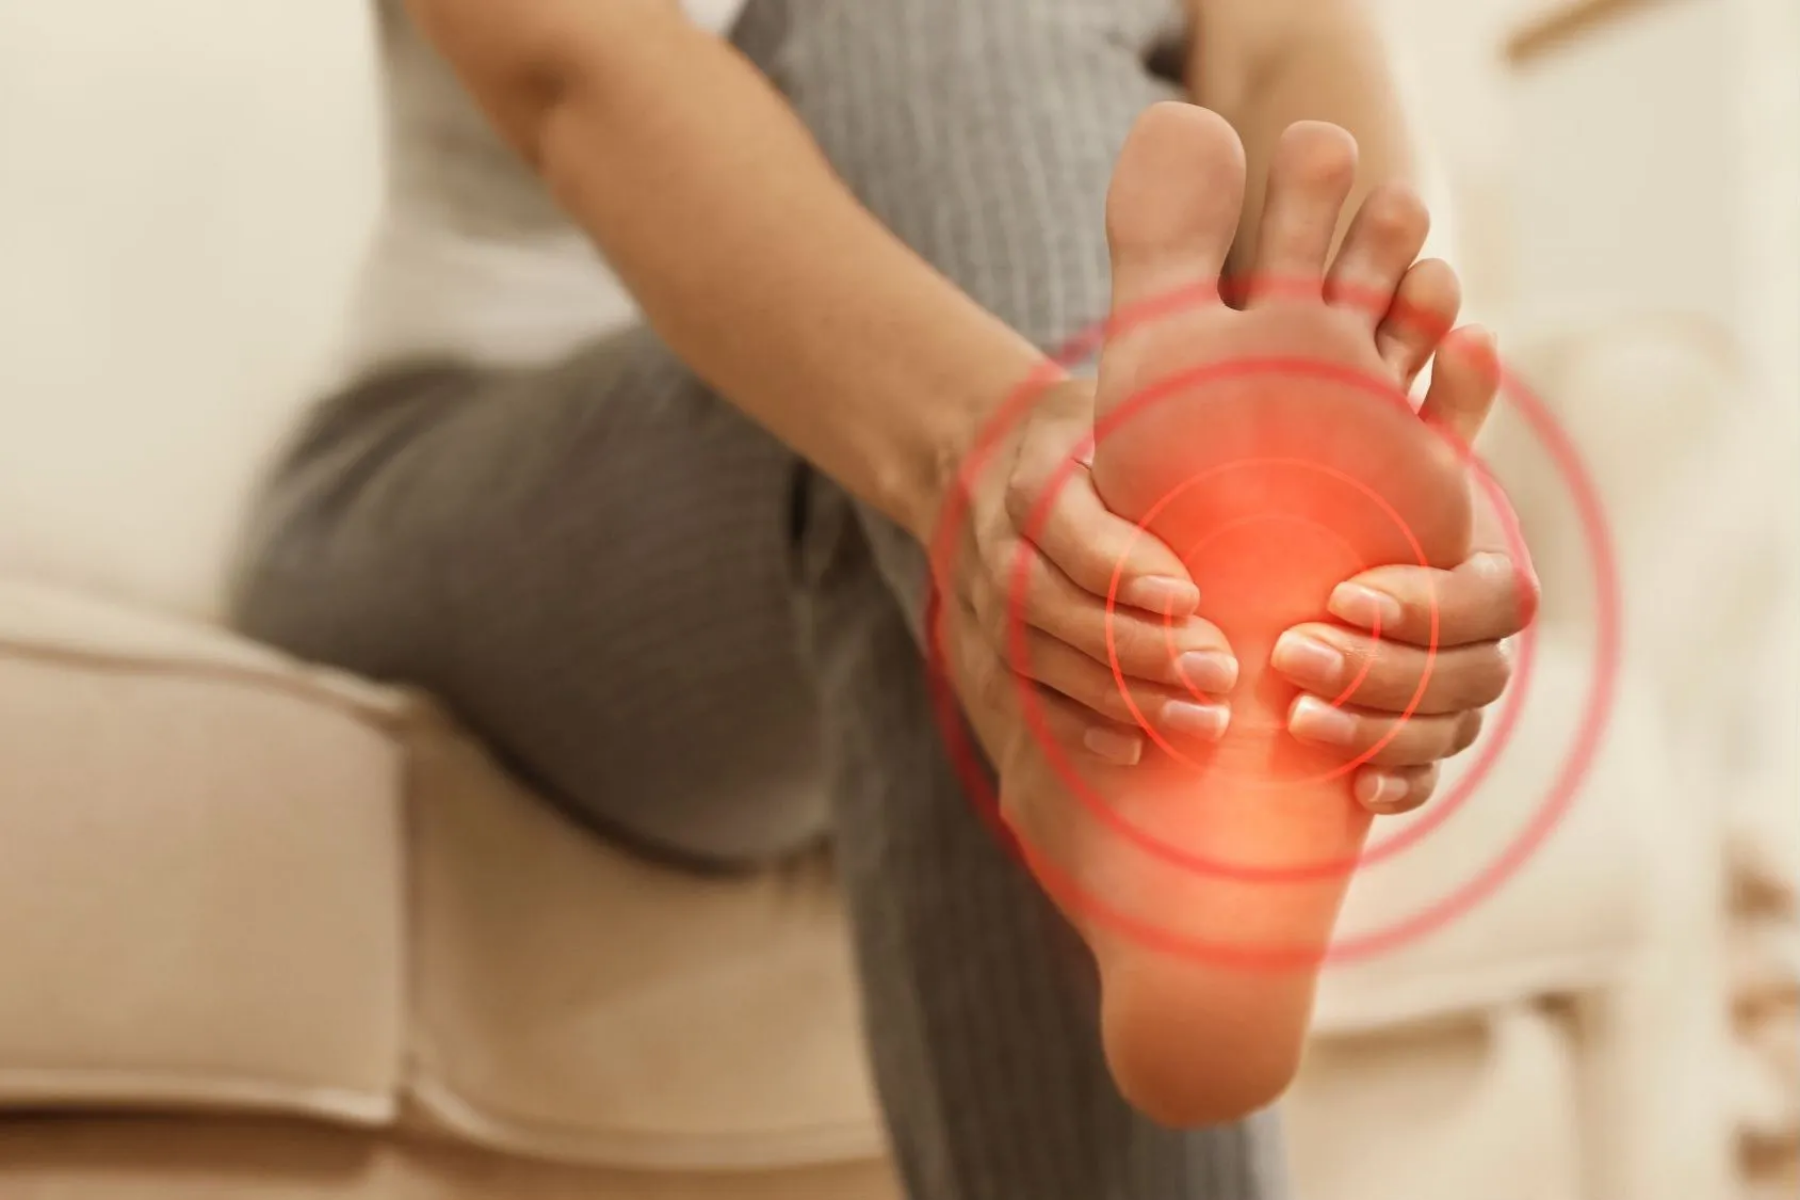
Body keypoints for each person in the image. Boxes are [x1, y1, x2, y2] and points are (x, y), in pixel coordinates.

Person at [229, 1, 1536, 1197]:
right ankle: (1117, 666)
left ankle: (1147, 636)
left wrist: (1359, 449)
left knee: (1043, 477)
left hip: (968, 396)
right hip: (456, 491)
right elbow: (574, 74)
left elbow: (1285, 44)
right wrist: (977, 453)